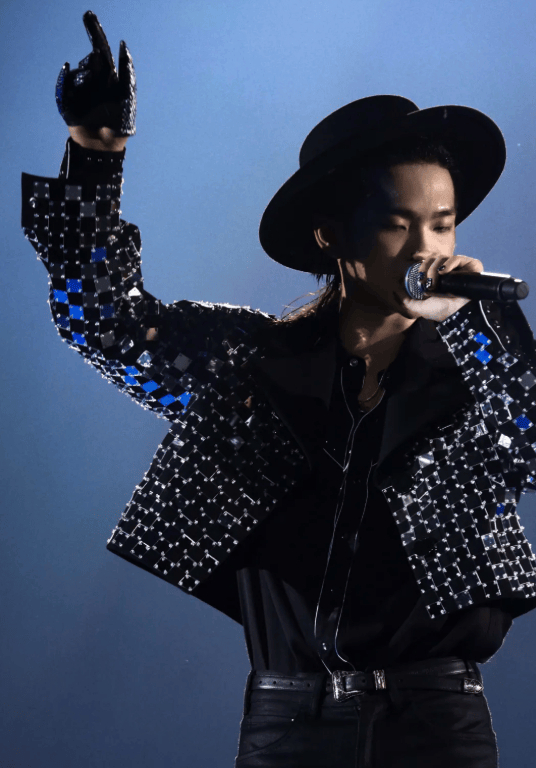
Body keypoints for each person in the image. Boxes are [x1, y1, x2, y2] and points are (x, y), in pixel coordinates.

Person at [21, 10, 536, 768]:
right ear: (332, 235)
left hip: (435, 720)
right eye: (399, 225)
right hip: (288, 720)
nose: (426, 250)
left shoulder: (480, 368)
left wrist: (475, 322)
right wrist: (95, 153)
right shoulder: (252, 366)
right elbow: (103, 321)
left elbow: (529, 439)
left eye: (442, 224)